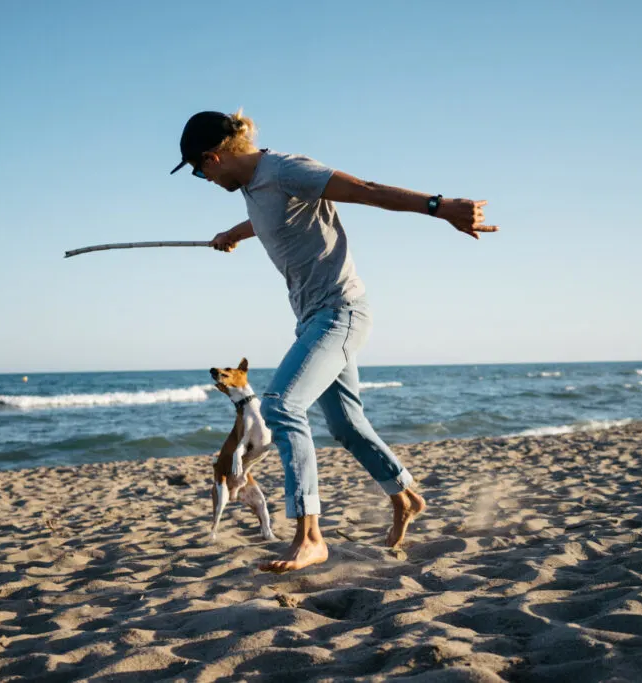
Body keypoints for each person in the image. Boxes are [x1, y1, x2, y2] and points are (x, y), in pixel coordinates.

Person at [169, 110, 498, 573]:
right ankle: (404, 496)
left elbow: (364, 191)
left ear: (213, 157)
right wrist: (234, 234)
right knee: (344, 425)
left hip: (341, 312)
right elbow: (274, 219)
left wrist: (440, 207)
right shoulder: (252, 189)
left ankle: (309, 535)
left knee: (282, 404)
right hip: (311, 320)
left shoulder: (286, 169)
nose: (202, 178)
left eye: (199, 171)